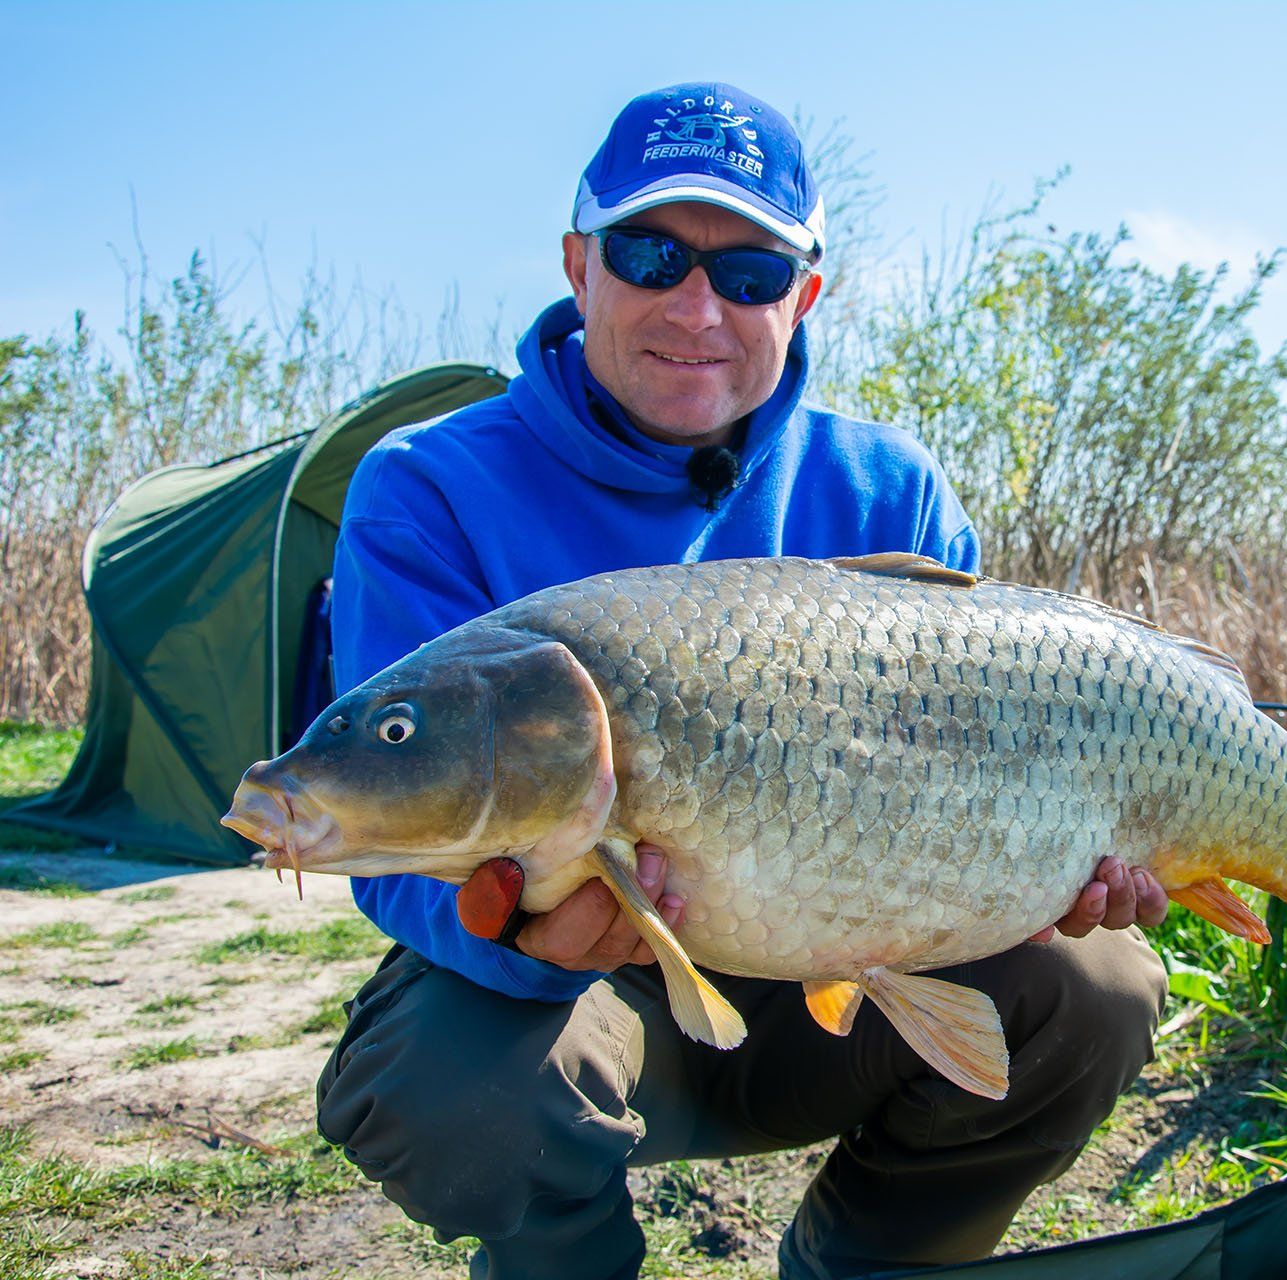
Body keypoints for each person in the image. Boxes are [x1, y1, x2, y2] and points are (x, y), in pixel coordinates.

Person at [314, 82, 1170, 1280]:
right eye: (652, 253)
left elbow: (1002, 782)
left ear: (805, 293)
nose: (699, 305)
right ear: (579, 265)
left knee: (1100, 981)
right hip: (574, 996)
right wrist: (536, 942)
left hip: (837, 971)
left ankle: (864, 1262)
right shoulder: (427, 487)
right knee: (445, 1089)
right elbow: (394, 835)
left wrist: (1055, 868)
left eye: (752, 272)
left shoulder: (891, 493)